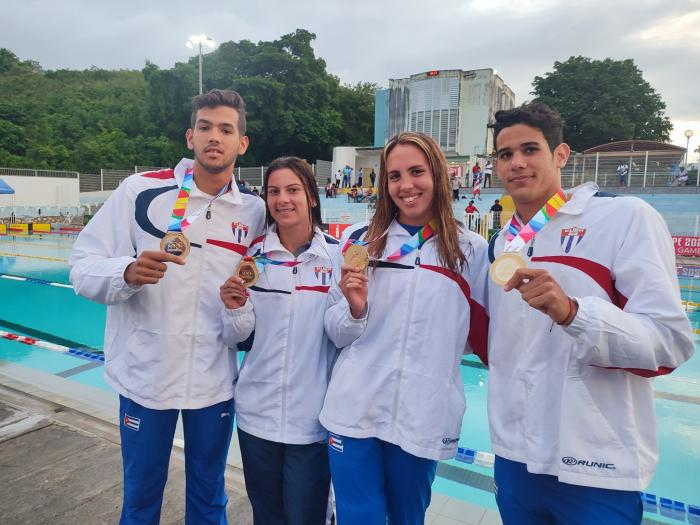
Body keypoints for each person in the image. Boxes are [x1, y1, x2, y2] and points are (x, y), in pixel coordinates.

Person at [485, 102, 694, 524]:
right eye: (506, 155)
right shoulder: (503, 243)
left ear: (560, 155)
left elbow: (670, 343)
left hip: (595, 464)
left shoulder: (622, 217)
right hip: (516, 457)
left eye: (530, 150)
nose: (517, 164)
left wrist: (573, 313)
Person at [69, 89, 266, 524]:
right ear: (189, 137)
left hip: (212, 382)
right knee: (140, 499)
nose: (215, 137)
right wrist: (126, 272)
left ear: (242, 143)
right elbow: (81, 268)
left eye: (226, 129)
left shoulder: (254, 210)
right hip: (146, 377)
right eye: (205, 127)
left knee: (209, 497)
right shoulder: (140, 191)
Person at [321, 131, 488, 525]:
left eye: (417, 172)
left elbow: (478, 339)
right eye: (394, 176)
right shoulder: (361, 243)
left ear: (439, 176)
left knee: (407, 517)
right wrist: (355, 310)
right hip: (354, 409)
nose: (405, 185)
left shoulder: (470, 251)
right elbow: (334, 330)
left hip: (422, 414)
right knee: (358, 517)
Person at [220, 156, 338, 525]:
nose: (282, 199)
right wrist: (235, 309)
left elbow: (346, 336)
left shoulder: (337, 258)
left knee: (307, 517)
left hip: (313, 419)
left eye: (292, 190)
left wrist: (356, 308)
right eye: (274, 191)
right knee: (267, 517)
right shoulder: (251, 259)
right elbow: (236, 337)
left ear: (311, 197)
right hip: (257, 416)